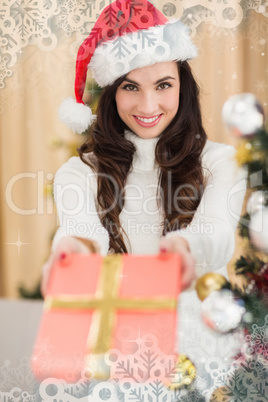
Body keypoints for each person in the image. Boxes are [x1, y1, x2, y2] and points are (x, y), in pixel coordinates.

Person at [41, 0, 247, 331]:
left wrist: (184, 246)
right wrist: (73, 250)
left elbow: (218, 231)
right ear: (112, 93)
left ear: (182, 86)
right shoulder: (79, 172)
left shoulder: (219, 162)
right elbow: (82, 231)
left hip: (204, 349)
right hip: (120, 347)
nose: (148, 105)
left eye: (163, 85)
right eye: (130, 87)